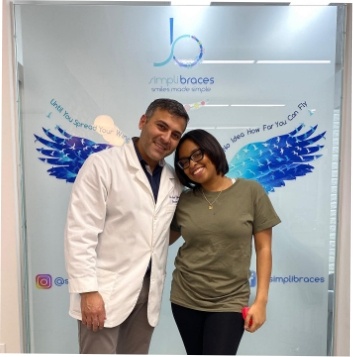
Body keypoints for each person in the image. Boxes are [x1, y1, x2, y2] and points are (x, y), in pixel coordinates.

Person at [64, 98, 189, 354]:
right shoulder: (103, 165)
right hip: (104, 292)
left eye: (175, 135)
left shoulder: (173, 181)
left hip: (147, 293)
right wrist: (88, 292)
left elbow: (159, 233)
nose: (166, 138)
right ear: (143, 122)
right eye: (161, 126)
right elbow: (80, 233)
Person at [169, 129, 281, 355]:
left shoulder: (251, 191)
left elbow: (264, 248)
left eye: (197, 155)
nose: (192, 164)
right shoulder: (183, 201)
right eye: (184, 162)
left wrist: (261, 302)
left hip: (229, 300)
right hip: (185, 298)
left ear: (212, 150)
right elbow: (159, 241)